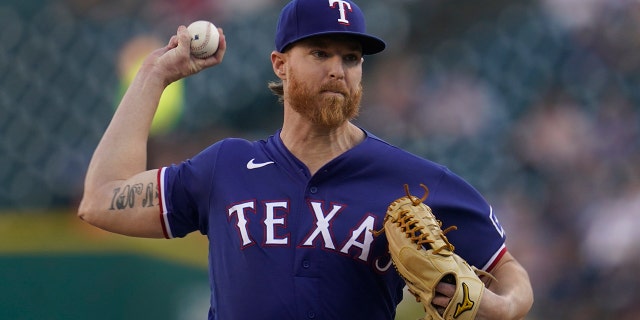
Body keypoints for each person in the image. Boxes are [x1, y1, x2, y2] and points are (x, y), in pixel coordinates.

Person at [78, 0, 534, 319]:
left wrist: (497, 307)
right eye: (320, 52)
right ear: (280, 63)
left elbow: (510, 273)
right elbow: (101, 199)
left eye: (351, 57)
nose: (338, 68)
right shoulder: (225, 168)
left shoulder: (412, 180)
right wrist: (154, 75)